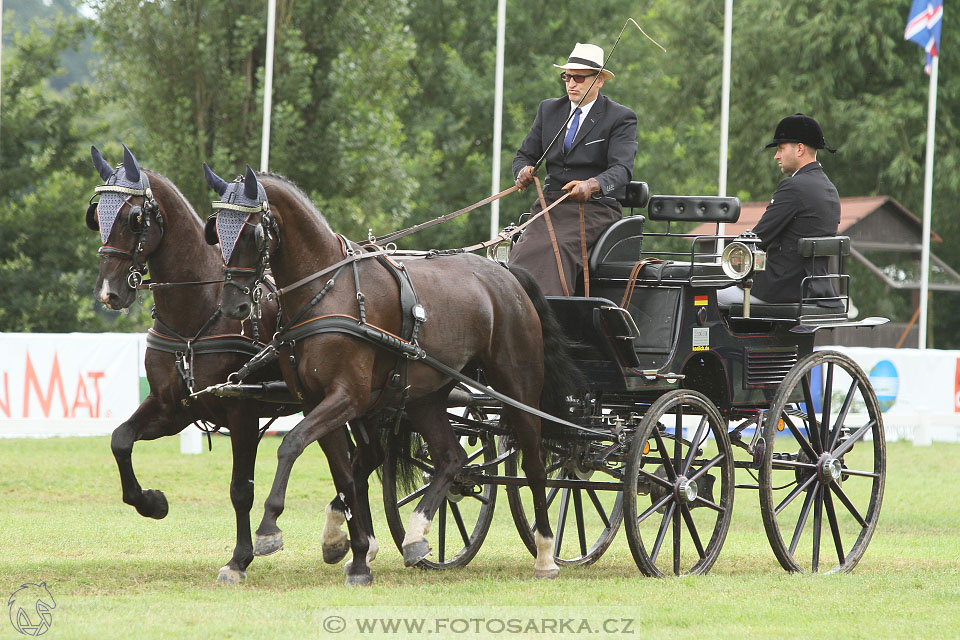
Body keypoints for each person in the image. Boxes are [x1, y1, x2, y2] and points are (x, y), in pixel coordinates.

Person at [509, 42, 638, 296]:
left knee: (556, 249)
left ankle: (551, 319)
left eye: (579, 77)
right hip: (550, 205)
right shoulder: (549, 110)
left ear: (599, 80)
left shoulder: (620, 117)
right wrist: (522, 171)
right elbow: (525, 155)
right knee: (522, 251)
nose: (571, 83)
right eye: (566, 76)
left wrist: (591, 185)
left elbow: (622, 169)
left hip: (594, 209)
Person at [717, 113, 842, 307]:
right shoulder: (830, 189)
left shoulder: (794, 187)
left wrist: (723, 258)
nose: (776, 156)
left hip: (778, 290)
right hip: (813, 290)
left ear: (799, 149)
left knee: (702, 294)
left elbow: (758, 239)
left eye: (781, 148)